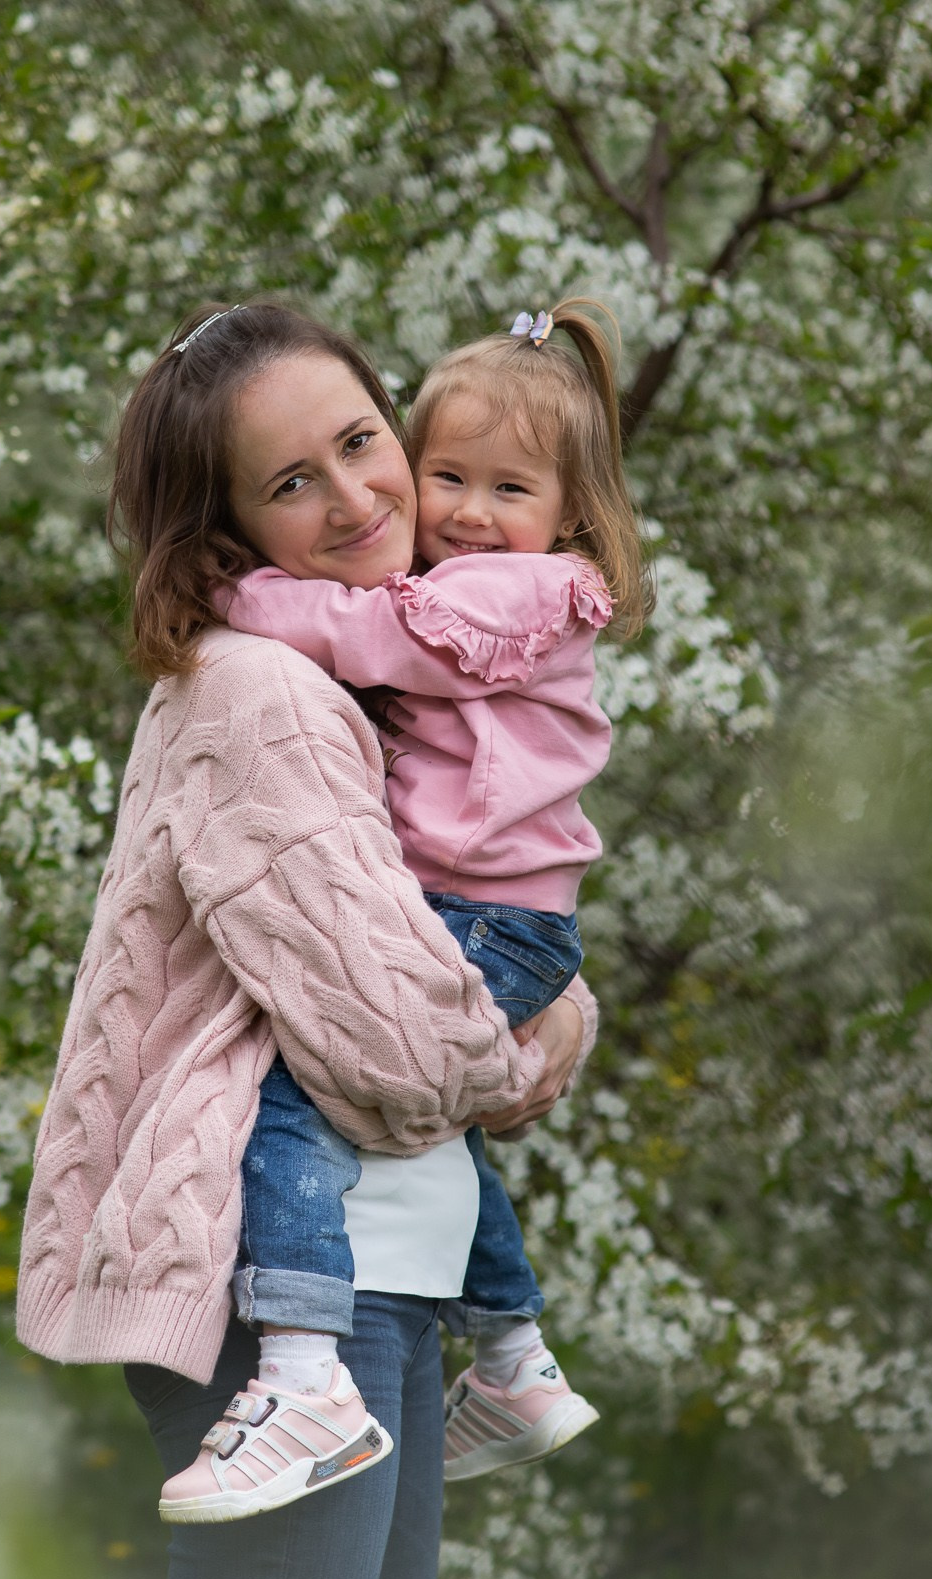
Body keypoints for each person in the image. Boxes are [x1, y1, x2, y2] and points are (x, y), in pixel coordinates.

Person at [15, 301, 596, 1579]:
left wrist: (560, 1003)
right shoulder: (262, 689)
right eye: (290, 482)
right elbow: (399, 1046)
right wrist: (530, 1041)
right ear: (227, 530)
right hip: (282, 1301)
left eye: (361, 441)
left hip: (385, 1271)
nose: (353, 497)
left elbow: (430, 928)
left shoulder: (380, 667)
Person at [205, 298, 653, 1505]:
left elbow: (378, 632)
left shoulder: (521, 594)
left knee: (299, 1095)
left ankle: (300, 1367)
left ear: (571, 514)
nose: (468, 512)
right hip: (497, 915)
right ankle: (513, 1356)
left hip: (488, 914)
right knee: (435, 1120)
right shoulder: (485, 582)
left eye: (511, 489)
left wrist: (242, 597)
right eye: (448, 475)